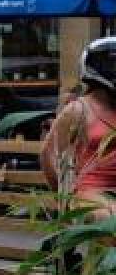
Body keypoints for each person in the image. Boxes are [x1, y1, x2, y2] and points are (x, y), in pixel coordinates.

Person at [43, 36, 116, 221]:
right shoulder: (79, 109)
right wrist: (64, 198)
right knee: (109, 217)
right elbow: (49, 155)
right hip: (93, 191)